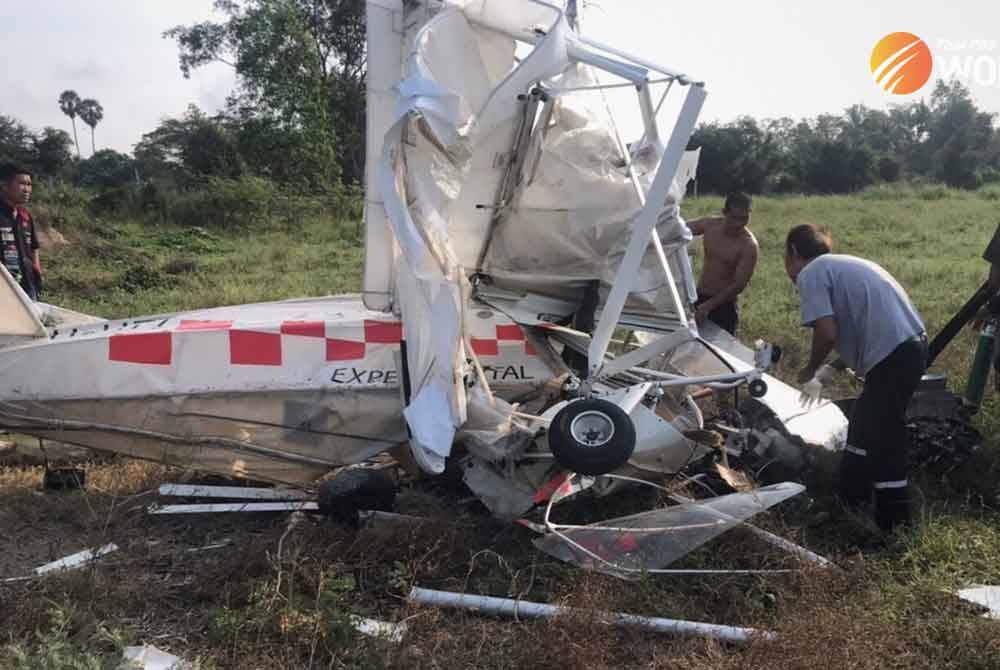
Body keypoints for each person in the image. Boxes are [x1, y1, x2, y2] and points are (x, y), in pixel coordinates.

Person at [785, 223, 926, 532]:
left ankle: (895, 524)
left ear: (793, 252)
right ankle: (851, 498)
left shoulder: (811, 273)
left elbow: (826, 332)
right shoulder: (842, 266)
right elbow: (861, 328)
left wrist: (809, 370)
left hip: (895, 356)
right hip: (908, 349)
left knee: (884, 435)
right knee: (862, 425)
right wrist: (828, 372)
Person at [686, 191, 758, 335]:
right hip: (699, 299)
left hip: (724, 307)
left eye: (744, 219)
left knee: (718, 355)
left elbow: (739, 285)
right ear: (724, 212)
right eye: (734, 218)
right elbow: (679, 229)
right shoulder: (709, 225)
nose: (739, 224)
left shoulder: (748, 245)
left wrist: (708, 306)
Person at [0, 163, 40, 300]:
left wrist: (37, 272)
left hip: (27, 288)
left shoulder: (25, 216)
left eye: (29, 184)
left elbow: (34, 247)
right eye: (22, 183)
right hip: (4, 291)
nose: (27, 189)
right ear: (4, 186)